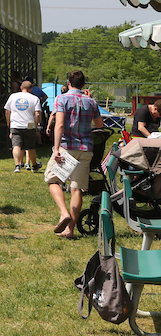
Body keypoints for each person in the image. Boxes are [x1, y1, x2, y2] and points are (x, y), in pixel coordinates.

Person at [46, 69, 103, 240]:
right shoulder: (91, 102)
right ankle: (70, 230)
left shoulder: (61, 99)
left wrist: (56, 149)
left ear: (68, 83)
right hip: (85, 149)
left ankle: (64, 213)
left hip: (67, 147)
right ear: (84, 85)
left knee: (52, 179)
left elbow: (60, 125)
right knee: (76, 188)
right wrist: (90, 99)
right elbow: (99, 124)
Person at [4, 79, 43, 172]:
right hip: (29, 125)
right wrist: (36, 125)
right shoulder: (34, 98)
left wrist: (9, 123)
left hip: (15, 124)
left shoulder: (13, 96)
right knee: (30, 147)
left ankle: (17, 165)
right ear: (31, 89)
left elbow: (7, 111)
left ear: (21, 88)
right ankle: (34, 165)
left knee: (16, 145)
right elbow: (37, 114)